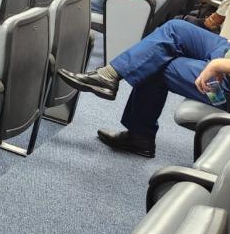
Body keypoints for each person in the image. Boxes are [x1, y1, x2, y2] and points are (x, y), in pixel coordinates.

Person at [57, 19, 230, 158]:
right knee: (175, 28)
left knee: (157, 64)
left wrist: (218, 64)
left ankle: (140, 137)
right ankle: (108, 75)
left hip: (225, 79)